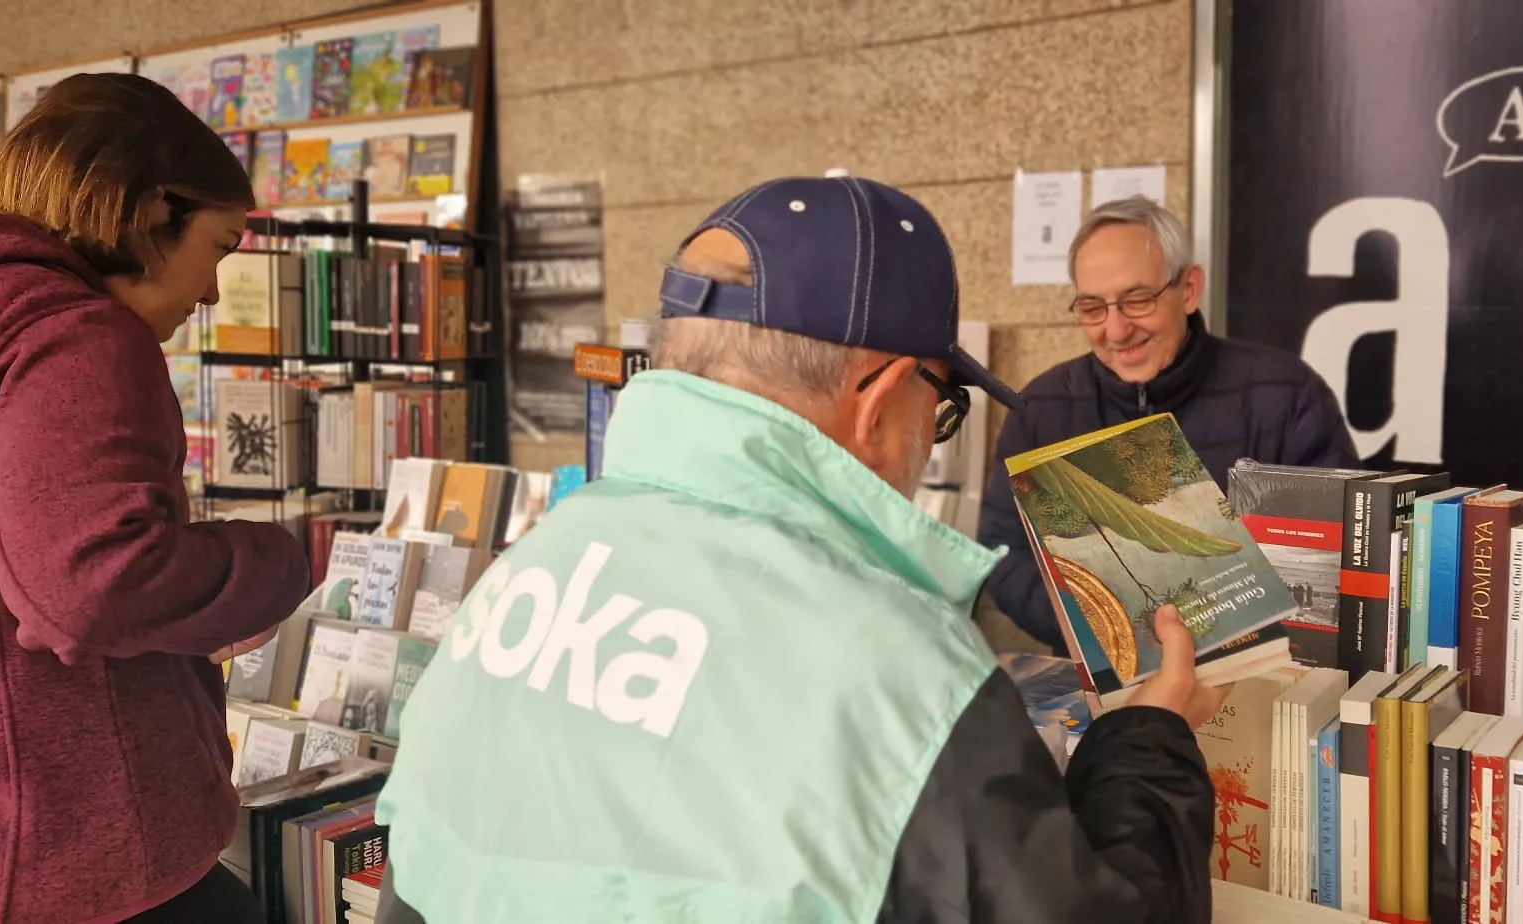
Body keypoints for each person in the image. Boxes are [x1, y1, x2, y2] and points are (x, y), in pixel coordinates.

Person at [373, 177, 1225, 923]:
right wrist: (1145, 738)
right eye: (944, 408)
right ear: (884, 401)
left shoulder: (529, 569)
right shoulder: (899, 673)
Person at [0, 74, 312, 922]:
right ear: (153, 210)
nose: (209, 292)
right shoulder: (77, 336)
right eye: (221, 246)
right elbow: (92, 583)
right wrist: (284, 557)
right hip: (85, 846)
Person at [980, 195, 1360, 654]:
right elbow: (1002, 552)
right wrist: (1102, 629)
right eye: (1092, 308)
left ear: (1189, 289)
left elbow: (1337, 549)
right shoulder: (1042, 407)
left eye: (1137, 300)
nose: (1116, 331)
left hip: (1263, 672)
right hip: (1108, 671)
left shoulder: (1285, 394)